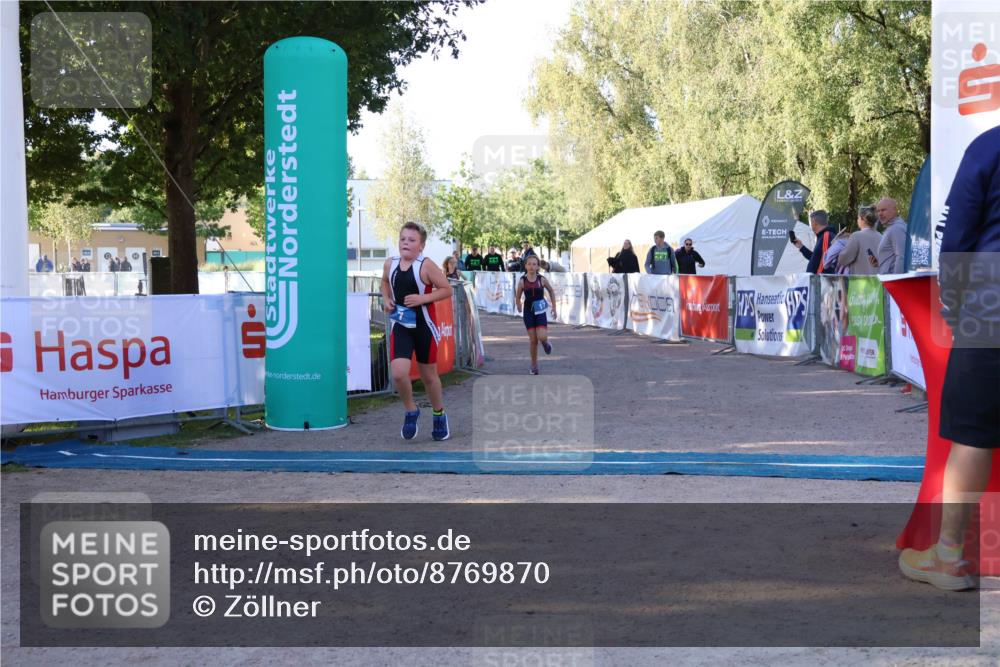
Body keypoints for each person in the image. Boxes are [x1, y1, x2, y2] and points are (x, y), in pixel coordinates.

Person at [899, 125, 1000, 591]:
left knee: (972, 436)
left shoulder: (989, 146)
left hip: (990, 308)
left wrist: (955, 307)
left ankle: (948, 557)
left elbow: (956, 236)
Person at [380, 222, 452, 441]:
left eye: (412, 240)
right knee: (398, 373)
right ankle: (411, 409)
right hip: (401, 325)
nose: (406, 243)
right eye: (403, 239)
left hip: (424, 327)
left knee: (428, 376)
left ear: (421, 246)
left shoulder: (426, 265)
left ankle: (439, 414)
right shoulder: (390, 263)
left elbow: (447, 289)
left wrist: (423, 298)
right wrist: (386, 298)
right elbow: (384, 282)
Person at [514, 254, 557, 376]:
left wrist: (554, 307)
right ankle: (534, 365)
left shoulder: (541, 279)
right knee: (533, 340)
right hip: (528, 312)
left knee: (542, 337)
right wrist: (518, 304)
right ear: (525, 266)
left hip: (540, 311)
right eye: (529, 264)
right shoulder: (522, 281)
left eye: (534, 264)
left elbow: (551, 291)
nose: (532, 266)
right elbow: (518, 296)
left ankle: (545, 343)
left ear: (538, 267)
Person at [836, 205, 883, 276]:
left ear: (862, 219)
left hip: (860, 281)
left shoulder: (856, 236)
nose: (857, 220)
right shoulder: (881, 236)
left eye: (858, 218)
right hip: (877, 281)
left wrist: (839, 245)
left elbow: (843, 260)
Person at [791, 210, 837, 274]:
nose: (811, 225)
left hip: (819, 279)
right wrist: (801, 247)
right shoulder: (822, 236)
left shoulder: (826, 236)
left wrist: (815, 278)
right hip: (816, 278)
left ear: (814, 222)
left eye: (811, 222)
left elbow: (825, 262)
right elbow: (815, 259)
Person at [871, 198, 908, 274]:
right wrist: (881, 262)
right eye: (878, 211)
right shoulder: (892, 227)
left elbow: (901, 256)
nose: (880, 214)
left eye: (883, 210)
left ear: (894, 210)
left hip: (892, 279)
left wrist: (897, 279)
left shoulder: (897, 228)